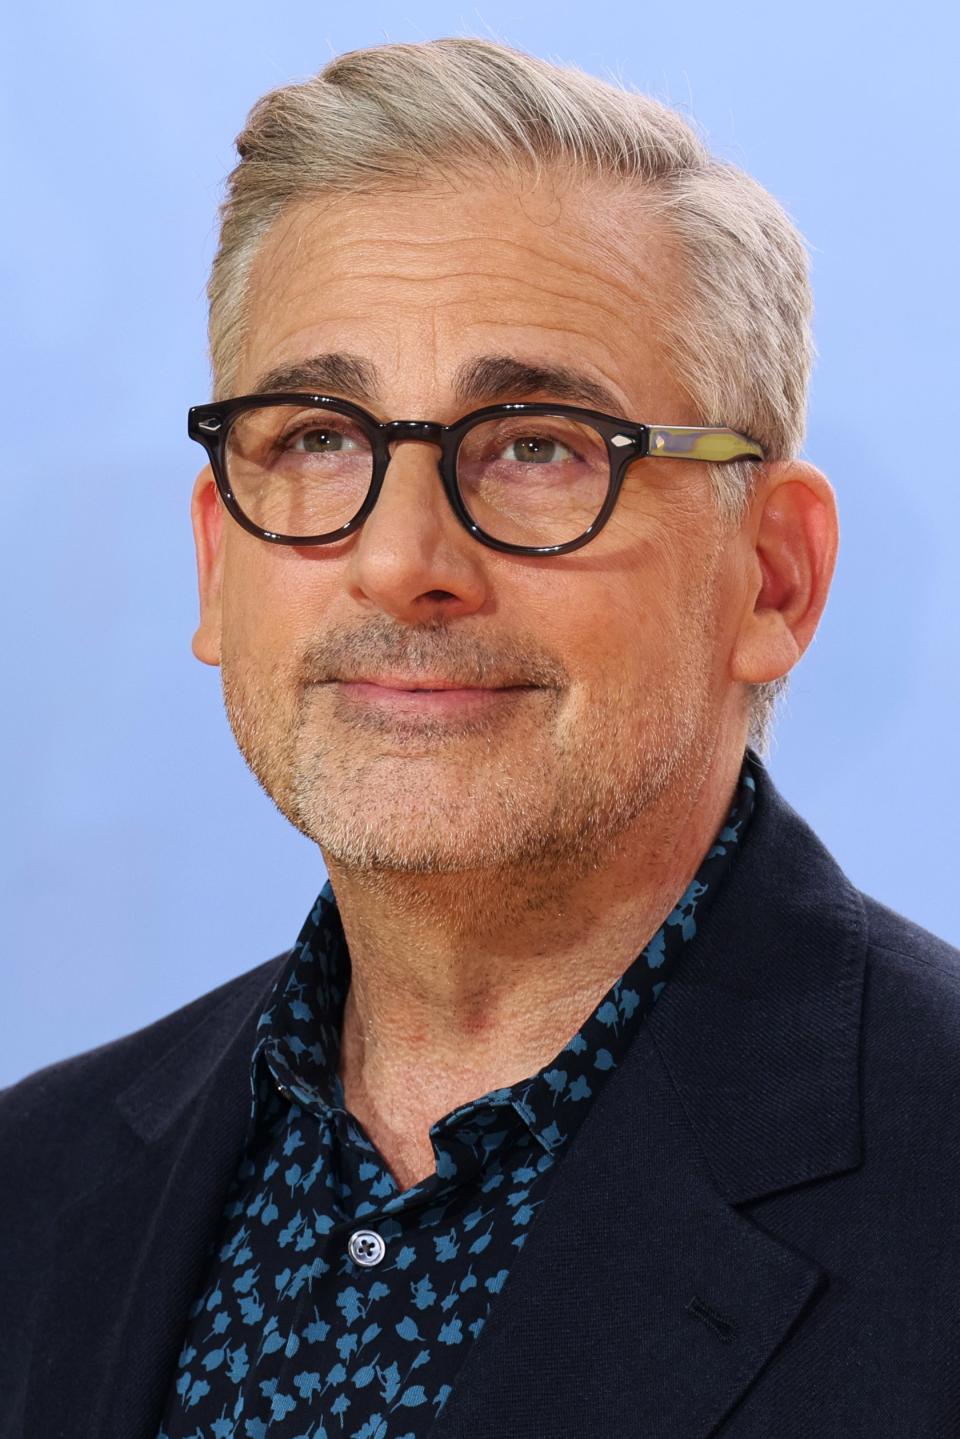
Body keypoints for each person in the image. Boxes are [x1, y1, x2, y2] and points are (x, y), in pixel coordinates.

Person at [2, 36, 958, 1439]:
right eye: (318, 437)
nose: (400, 562)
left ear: (774, 579)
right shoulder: (36, 1183)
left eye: (536, 446)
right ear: (217, 565)